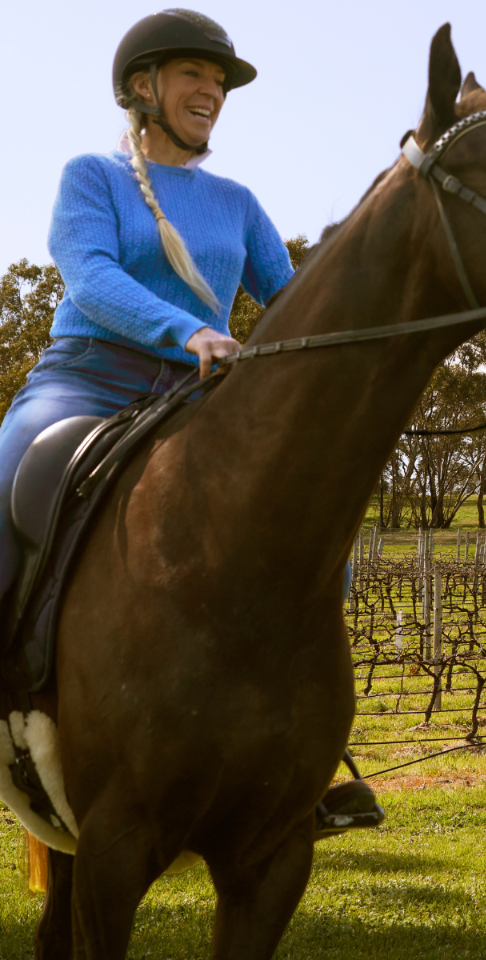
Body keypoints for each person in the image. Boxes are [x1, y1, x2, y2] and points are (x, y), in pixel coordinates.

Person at [0, 8, 380, 836]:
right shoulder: (90, 177)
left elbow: (290, 302)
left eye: (220, 82)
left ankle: (300, 764)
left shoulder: (237, 202)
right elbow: (90, 275)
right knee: (6, 480)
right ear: (143, 88)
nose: (212, 91)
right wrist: (187, 328)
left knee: (307, 538)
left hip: (200, 395)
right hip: (91, 377)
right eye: (193, 77)